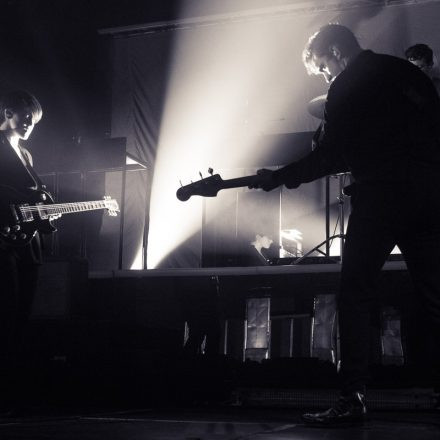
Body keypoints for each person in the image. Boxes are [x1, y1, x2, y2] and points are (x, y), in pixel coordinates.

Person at [251, 24, 440, 425]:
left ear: (336, 52)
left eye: (322, 68)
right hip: (427, 194)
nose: (325, 76)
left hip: (380, 198)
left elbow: (329, 158)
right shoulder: (407, 74)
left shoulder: (346, 87)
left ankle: (353, 396)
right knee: (435, 294)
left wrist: (281, 176)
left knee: (356, 294)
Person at [0, 90, 44, 411]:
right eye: (26, 116)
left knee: (22, 314)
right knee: (7, 310)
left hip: (27, 245)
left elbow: (32, 198)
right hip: (3, 242)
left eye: (34, 119)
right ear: (7, 112)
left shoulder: (26, 156)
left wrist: (46, 209)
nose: (30, 123)